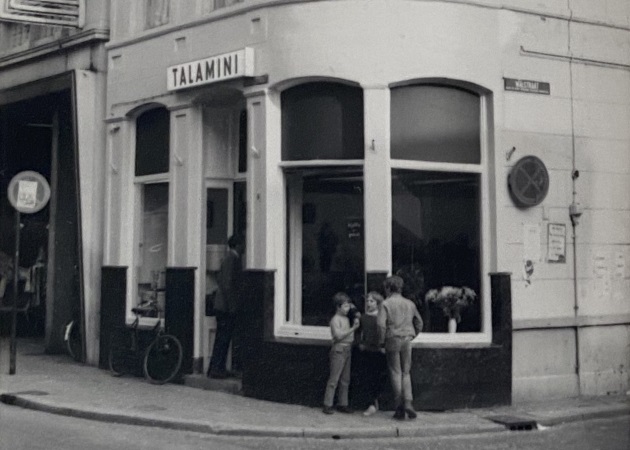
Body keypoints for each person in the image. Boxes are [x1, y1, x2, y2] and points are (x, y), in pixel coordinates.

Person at [378, 275, 423, 420]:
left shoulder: (386, 304)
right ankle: (409, 402)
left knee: (395, 372)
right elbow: (419, 322)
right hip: (407, 339)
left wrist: (381, 342)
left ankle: (399, 406)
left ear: (388, 288)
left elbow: (380, 325)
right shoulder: (410, 303)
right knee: (406, 372)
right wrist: (412, 335)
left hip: (392, 338)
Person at [207, 235, 245, 379]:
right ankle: (215, 369)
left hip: (224, 306)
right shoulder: (231, 260)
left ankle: (219, 367)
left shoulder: (232, 259)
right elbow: (228, 285)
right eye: (242, 244)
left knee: (223, 338)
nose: (245, 247)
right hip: (225, 307)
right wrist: (232, 307)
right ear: (237, 245)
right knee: (222, 339)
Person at [322, 292, 360, 415]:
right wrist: (353, 329)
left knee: (345, 379)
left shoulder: (345, 318)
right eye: (345, 306)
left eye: (348, 306)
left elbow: (354, 309)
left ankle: (342, 403)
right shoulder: (335, 319)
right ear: (338, 307)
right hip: (339, 350)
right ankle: (327, 403)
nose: (347, 309)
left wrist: (353, 309)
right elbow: (338, 336)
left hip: (347, 349)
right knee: (334, 378)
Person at [357, 291, 387, 416]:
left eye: (372, 301)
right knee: (367, 376)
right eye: (367, 301)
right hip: (367, 350)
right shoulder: (364, 317)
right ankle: (371, 403)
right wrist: (360, 343)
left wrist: (383, 346)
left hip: (378, 351)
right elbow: (359, 332)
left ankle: (375, 402)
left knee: (377, 377)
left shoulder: (381, 317)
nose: (369, 303)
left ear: (378, 303)